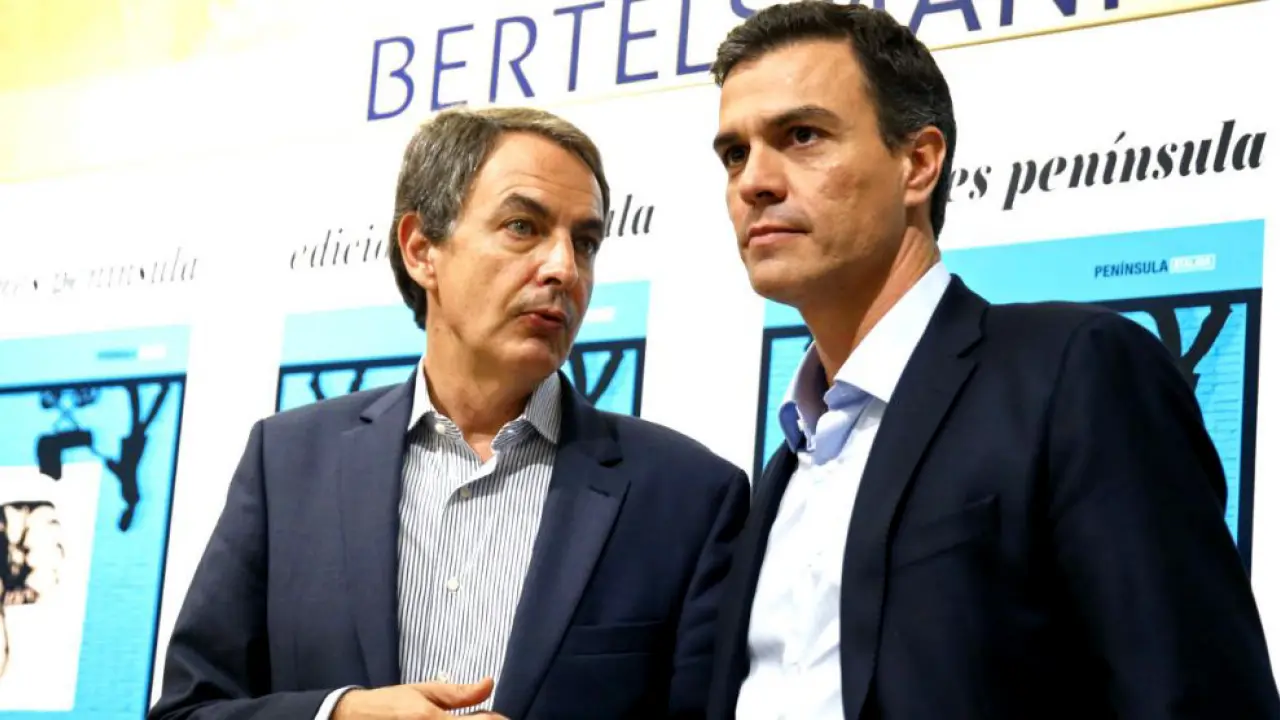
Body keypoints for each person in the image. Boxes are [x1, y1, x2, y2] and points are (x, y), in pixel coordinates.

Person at [703, 3, 1280, 718]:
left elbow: (1194, 695)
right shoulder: (787, 464)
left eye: (802, 135)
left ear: (919, 164)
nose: (754, 181)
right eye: (735, 153)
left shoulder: (1075, 372)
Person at [149, 106, 750, 720]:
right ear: (421, 250)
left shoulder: (687, 496)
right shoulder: (287, 463)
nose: (563, 268)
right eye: (522, 227)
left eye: (585, 243)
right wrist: (340, 714)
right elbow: (187, 711)